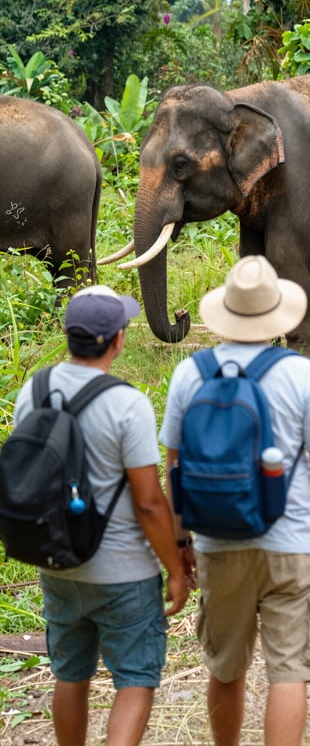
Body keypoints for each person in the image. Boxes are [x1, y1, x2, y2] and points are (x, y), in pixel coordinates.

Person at [159, 255, 310, 746]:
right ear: (276, 316)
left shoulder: (191, 374)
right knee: (288, 670)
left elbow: (174, 469)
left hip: (218, 542)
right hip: (294, 544)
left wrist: (180, 541)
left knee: (226, 666)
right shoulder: (301, 374)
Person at [12, 284, 189, 746]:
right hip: (124, 572)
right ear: (117, 340)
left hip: (58, 561)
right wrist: (175, 568)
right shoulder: (126, 403)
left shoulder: (34, 391)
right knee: (135, 677)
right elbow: (149, 501)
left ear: (69, 335)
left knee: (70, 676)